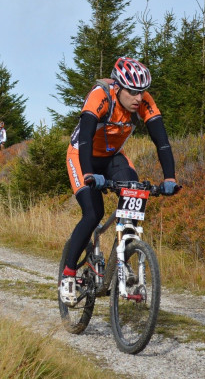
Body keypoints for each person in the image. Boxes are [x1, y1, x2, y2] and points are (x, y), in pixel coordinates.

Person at [59, 57, 180, 307]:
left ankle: (122, 264)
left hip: (113, 157)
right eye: (133, 92)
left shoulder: (144, 102)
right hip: (81, 155)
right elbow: (84, 139)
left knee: (134, 199)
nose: (138, 98)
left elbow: (163, 143)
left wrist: (169, 177)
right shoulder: (101, 95)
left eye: (142, 92)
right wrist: (91, 175)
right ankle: (69, 275)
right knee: (93, 213)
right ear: (118, 87)